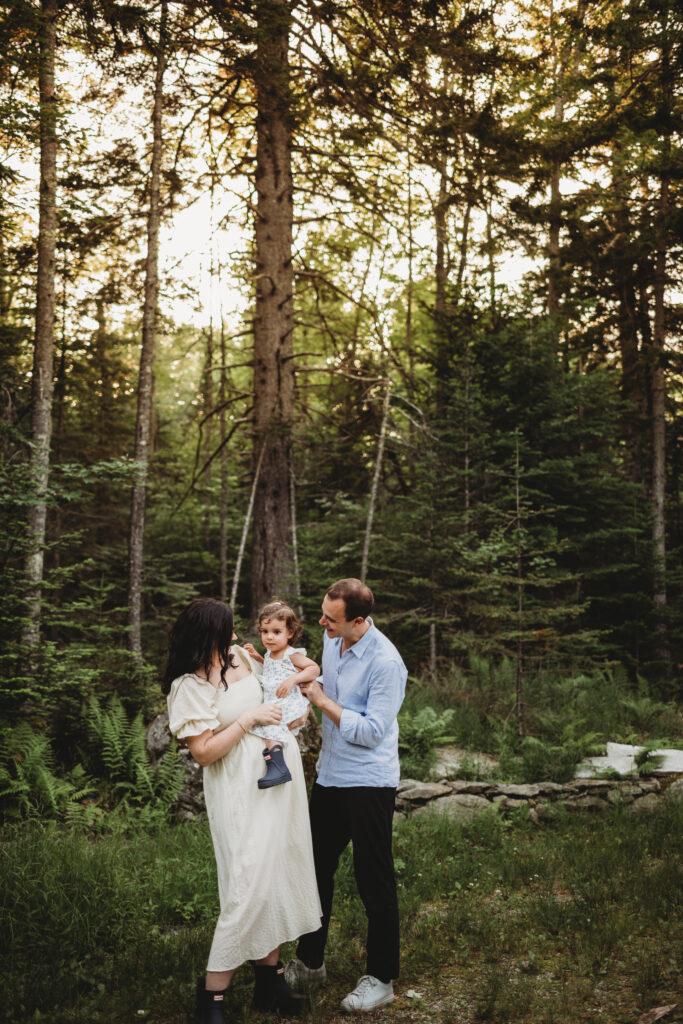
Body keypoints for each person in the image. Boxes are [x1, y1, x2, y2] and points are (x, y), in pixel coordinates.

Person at [162, 597, 322, 1024]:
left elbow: (275, 693)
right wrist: (249, 720)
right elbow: (205, 753)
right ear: (208, 634)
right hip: (238, 791)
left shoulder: (239, 657)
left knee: (274, 876)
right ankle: (212, 997)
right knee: (247, 886)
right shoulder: (190, 685)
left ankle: (269, 986)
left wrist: (289, 717)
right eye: (228, 627)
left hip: (278, 782)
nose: (237, 633)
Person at [285, 578, 407, 1013]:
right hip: (332, 775)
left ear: (359, 621)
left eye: (330, 619)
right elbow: (321, 684)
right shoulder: (333, 638)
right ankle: (311, 960)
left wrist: (320, 701)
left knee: (373, 875)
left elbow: (373, 732)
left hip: (369, 780)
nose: (321, 623)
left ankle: (380, 978)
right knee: (314, 867)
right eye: (322, 614)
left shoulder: (386, 663)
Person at [243, 600, 319, 790]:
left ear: (289, 633)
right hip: (275, 699)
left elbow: (314, 668)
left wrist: (293, 680)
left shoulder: (290, 654)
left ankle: (278, 767)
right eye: (264, 631)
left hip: (288, 700)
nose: (269, 637)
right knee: (266, 723)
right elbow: (270, 668)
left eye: (276, 632)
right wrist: (257, 657)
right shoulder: (270, 653)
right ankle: (273, 763)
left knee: (272, 725)